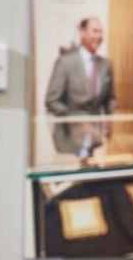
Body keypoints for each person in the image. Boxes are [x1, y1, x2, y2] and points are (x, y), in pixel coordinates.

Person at [44, 17, 116, 158]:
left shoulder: (106, 65)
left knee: (91, 177)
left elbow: (110, 98)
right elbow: (52, 100)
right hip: (69, 140)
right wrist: (77, 121)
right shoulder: (65, 63)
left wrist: (109, 119)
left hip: (95, 139)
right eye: (95, 31)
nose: (99, 36)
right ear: (82, 32)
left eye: (101, 32)